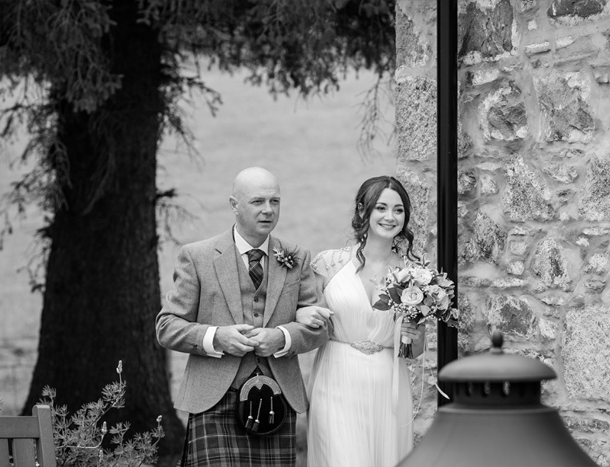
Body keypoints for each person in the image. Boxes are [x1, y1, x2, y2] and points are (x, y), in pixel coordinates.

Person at [156, 167, 331, 467]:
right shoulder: (197, 257)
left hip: (276, 402)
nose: (268, 210)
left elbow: (319, 327)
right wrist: (216, 337)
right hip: (214, 399)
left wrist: (282, 337)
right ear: (234, 204)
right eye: (257, 201)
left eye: (274, 201)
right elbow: (167, 326)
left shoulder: (296, 256)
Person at [298, 175, 426, 467]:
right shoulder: (328, 264)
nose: (390, 217)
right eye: (381, 208)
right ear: (362, 211)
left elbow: (413, 351)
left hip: (388, 381)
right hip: (336, 377)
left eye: (398, 210)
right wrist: (302, 314)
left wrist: (415, 338)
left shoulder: (414, 276)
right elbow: (304, 316)